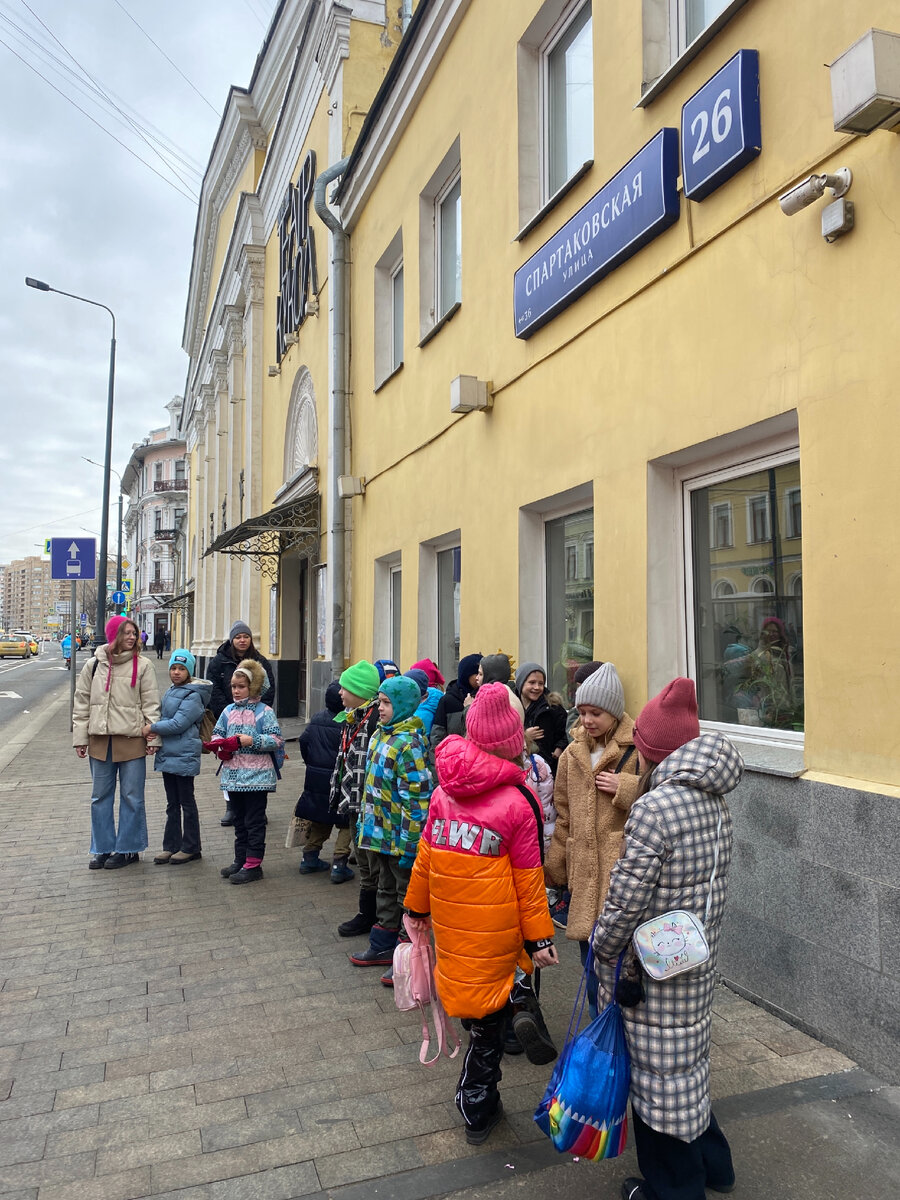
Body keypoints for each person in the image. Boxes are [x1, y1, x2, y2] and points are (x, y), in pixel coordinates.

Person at [591, 678, 742, 1200]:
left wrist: (602, 948)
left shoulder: (655, 809)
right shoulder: (713, 801)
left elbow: (626, 899)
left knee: (657, 1082)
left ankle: (674, 1190)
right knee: (687, 1066)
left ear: (654, 751)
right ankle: (715, 1166)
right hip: (695, 957)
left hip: (651, 969)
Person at [405, 682, 558, 1144]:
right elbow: (529, 881)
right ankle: (476, 1101)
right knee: (489, 1026)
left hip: (454, 929)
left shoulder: (443, 794)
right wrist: (541, 939)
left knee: (476, 1008)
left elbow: (425, 858)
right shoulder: (519, 801)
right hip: (500, 929)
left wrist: (415, 909)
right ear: (516, 743)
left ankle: (512, 1016)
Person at [544, 662, 643, 1017]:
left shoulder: (636, 749)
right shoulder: (573, 754)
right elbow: (563, 810)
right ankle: (598, 1034)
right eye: (582, 711)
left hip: (620, 874)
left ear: (614, 712)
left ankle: (623, 1035)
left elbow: (658, 798)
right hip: (583, 875)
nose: (586, 720)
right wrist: (556, 863)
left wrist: (627, 788)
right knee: (590, 969)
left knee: (619, 963)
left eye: (595, 713)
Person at [348, 675, 432, 980]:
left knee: (405, 894)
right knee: (384, 888)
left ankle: (410, 955)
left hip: (401, 838)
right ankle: (383, 946)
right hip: (379, 834)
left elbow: (418, 799)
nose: (380, 708)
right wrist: (362, 827)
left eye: (386, 703)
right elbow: (370, 789)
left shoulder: (409, 743)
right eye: (379, 702)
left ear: (403, 706)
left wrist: (413, 844)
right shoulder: (380, 735)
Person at [73, 615, 161, 870]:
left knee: (132, 797)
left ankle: (128, 849)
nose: (132, 637)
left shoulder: (143, 665)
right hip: (100, 741)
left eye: (134, 633)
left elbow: (152, 705)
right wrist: (81, 738)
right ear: (114, 635)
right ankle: (102, 848)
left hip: (132, 740)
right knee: (99, 797)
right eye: (126, 633)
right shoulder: (93, 666)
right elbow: (81, 704)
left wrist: (154, 739)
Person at [213, 659, 285, 885]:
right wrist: (218, 744)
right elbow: (218, 732)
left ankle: (253, 865)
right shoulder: (227, 711)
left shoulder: (265, 712)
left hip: (257, 777)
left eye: (241, 686)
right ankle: (240, 859)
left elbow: (276, 739)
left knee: (254, 821)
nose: (236, 691)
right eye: (233, 686)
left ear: (252, 687)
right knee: (238, 820)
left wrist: (251, 740)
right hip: (233, 776)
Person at [142, 649, 211, 865]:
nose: (177, 672)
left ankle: (191, 847)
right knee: (172, 803)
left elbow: (178, 723)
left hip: (184, 755)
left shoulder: (194, 695)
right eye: (173, 668)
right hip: (169, 754)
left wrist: (151, 728)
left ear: (189, 671)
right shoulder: (171, 691)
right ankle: (170, 846)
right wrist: (155, 732)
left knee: (186, 802)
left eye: (182, 669)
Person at [330, 660, 382, 938]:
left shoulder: (373, 719)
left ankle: (371, 914)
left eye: (345, 687)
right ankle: (366, 912)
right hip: (353, 797)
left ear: (360, 691)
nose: (340, 692)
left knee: (368, 859)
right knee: (362, 859)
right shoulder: (352, 716)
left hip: (366, 800)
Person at [207, 620, 276, 826]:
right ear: (232, 639)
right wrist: (228, 712)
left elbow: (269, 688)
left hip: (255, 719)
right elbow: (214, 689)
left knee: (256, 762)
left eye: (245, 636)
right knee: (231, 762)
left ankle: (257, 808)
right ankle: (232, 807)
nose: (242, 640)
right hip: (229, 719)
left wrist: (258, 712)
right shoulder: (219, 661)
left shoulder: (260, 660)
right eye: (238, 637)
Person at [296, 681, 354, 883]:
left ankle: (309, 857)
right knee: (345, 821)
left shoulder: (317, 718)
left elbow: (303, 741)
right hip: (340, 778)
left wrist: (310, 761)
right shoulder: (349, 721)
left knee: (320, 816)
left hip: (316, 777)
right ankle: (339, 863)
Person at [515, 661, 568, 775]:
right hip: (519, 769)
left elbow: (566, 732)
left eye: (541, 683)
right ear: (521, 683)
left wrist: (559, 748)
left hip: (547, 770)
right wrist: (524, 736)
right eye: (532, 682)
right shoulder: (511, 706)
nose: (537, 687)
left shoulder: (553, 707)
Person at [430, 652, 482, 748]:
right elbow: (437, 736)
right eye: (477, 673)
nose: (479, 677)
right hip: (453, 759)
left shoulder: (485, 697)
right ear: (466, 675)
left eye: (481, 673)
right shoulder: (448, 700)